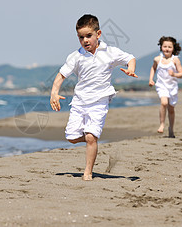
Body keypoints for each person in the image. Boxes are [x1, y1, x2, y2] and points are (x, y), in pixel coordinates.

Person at [50, 14, 138, 181]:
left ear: (98, 34)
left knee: (91, 137)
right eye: (81, 37)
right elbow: (61, 75)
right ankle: (92, 138)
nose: (85, 40)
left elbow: (129, 58)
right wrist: (54, 92)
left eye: (88, 36)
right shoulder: (76, 56)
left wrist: (131, 69)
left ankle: (87, 172)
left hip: (100, 101)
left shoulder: (109, 52)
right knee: (71, 137)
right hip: (80, 101)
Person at [148, 36, 182, 138]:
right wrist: (151, 79)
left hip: (172, 87)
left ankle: (171, 128)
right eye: (165, 46)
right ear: (161, 47)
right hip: (161, 85)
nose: (167, 49)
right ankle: (162, 124)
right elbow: (153, 68)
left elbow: (181, 74)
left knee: (171, 109)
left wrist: (174, 74)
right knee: (164, 103)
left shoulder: (175, 60)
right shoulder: (157, 59)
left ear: (173, 48)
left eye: (169, 47)